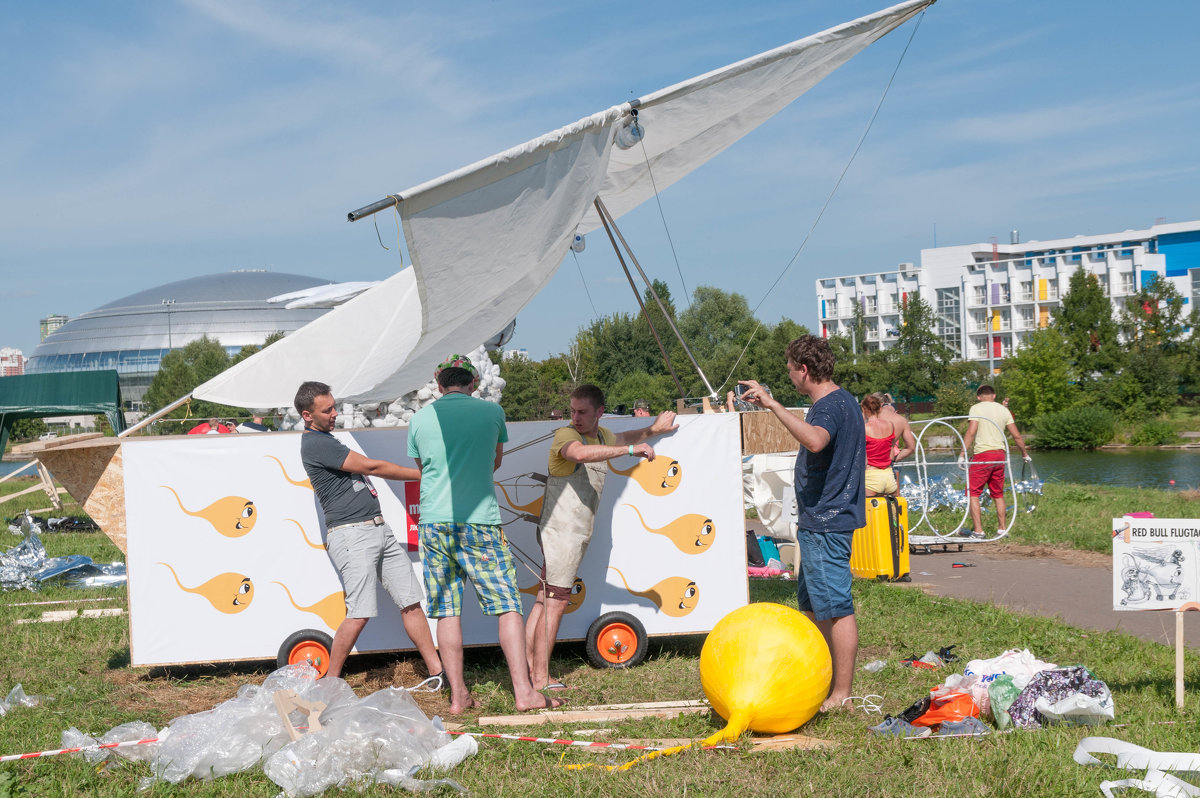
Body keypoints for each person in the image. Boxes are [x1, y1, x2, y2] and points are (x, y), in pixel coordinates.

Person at [407, 355, 564, 715]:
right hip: (480, 520)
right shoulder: (492, 413)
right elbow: (495, 461)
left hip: (435, 523)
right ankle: (523, 693)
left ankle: (458, 697)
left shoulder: (419, 419)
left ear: (438, 381)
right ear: (474, 382)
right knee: (507, 605)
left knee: (447, 611)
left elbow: (424, 468)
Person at [737, 335, 865, 712]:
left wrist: (773, 404)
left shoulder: (826, 407)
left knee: (836, 607)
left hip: (827, 523)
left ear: (804, 370)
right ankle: (821, 677)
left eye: (791, 370)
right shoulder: (844, 400)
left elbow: (815, 441)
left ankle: (841, 693)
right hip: (820, 521)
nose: (790, 377)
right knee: (813, 605)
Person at [525, 384, 677, 691]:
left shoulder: (603, 435)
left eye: (582, 412)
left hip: (570, 532)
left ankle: (530, 669)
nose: (576, 418)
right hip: (561, 533)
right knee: (555, 601)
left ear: (599, 412)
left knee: (545, 600)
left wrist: (653, 429)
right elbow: (579, 454)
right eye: (572, 411)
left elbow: (625, 437)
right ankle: (540, 679)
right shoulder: (567, 436)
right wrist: (630, 451)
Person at [294, 381, 443, 682]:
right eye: (328, 410)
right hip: (352, 535)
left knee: (411, 602)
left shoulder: (325, 439)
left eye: (334, 406)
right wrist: (425, 475)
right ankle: (331, 682)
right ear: (307, 415)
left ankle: (439, 673)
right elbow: (372, 467)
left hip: (376, 527)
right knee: (359, 613)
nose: (335, 414)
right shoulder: (316, 442)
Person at [962, 385, 1030, 539]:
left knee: (973, 493)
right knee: (998, 493)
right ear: (994, 395)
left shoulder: (976, 408)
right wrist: (1024, 453)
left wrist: (962, 453)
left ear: (978, 397)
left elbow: (971, 432)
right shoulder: (1003, 410)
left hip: (982, 455)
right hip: (1000, 455)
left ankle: (978, 531)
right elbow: (1017, 436)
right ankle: (1002, 529)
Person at [861, 394, 906, 497]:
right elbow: (891, 455)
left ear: (864, 409)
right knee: (891, 511)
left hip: (871, 477)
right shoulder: (890, 425)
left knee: (865, 511)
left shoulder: (864, 429)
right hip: (889, 476)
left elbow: (864, 460)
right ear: (880, 408)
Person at [874, 393, 916, 472]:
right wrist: (895, 459)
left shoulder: (865, 418)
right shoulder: (901, 420)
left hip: (869, 468)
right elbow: (911, 448)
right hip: (888, 465)